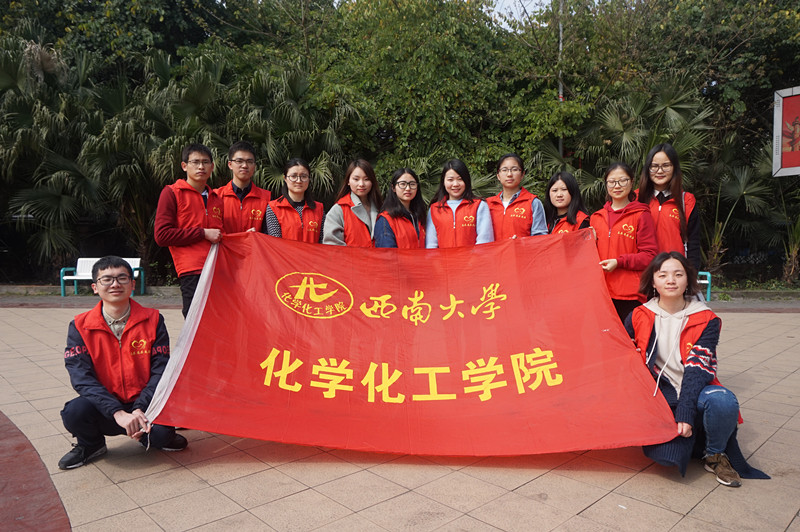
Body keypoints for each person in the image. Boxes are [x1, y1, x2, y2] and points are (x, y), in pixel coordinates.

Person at [624, 252, 768, 486]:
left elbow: (697, 370)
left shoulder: (706, 318)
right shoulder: (638, 315)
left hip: (696, 390)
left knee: (723, 401)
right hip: (659, 394)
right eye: (663, 275)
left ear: (688, 280)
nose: (671, 280)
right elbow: (622, 356)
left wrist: (685, 410)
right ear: (653, 281)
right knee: (667, 458)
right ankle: (695, 439)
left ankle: (715, 454)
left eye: (678, 274)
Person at [58, 256, 186, 470]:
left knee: (161, 435)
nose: (115, 284)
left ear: (132, 284)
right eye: (107, 279)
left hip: (144, 406)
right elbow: (81, 378)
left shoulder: (153, 319)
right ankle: (91, 445)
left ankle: (152, 436)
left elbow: (161, 370)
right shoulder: (80, 326)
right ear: (95, 287)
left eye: (122, 278)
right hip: (105, 408)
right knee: (75, 412)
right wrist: (117, 412)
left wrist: (139, 408)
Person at [155, 143, 223, 317]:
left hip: (218, 269)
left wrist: (246, 236)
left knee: (219, 319)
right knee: (195, 319)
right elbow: (162, 235)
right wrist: (202, 233)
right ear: (184, 166)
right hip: (192, 270)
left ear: (212, 167)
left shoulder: (216, 198)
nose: (201, 167)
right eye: (195, 162)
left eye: (205, 162)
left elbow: (220, 235)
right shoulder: (172, 193)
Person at [590, 162, 658, 322]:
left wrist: (619, 262)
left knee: (630, 336)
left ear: (632, 182)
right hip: (601, 293)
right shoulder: (596, 217)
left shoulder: (641, 214)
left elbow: (649, 255)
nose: (617, 186)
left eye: (623, 180)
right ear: (606, 184)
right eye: (612, 182)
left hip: (630, 294)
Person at [638, 143, 701, 269]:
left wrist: (691, 274)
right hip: (642, 272)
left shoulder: (686, 201)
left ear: (674, 168)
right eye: (654, 166)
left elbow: (693, 243)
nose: (660, 171)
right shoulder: (636, 199)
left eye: (666, 165)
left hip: (674, 273)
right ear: (647, 169)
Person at [425, 159, 494, 248]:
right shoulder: (434, 209)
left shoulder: (479, 206)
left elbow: (484, 241)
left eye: (460, 179)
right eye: (450, 180)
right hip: (444, 257)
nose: (455, 184)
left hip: (473, 257)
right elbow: (431, 245)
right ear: (443, 182)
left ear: (466, 181)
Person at [485, 153, 548, 240]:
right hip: (493, 249)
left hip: (522, 249)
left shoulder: (533, 203)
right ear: (498, 176)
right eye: (504, 170)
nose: (509, 174)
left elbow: (540, 238)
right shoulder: (487, 204)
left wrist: (521, 243)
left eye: (514, 169)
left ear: (522, 175)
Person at [215, 140, 271, 234]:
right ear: (230, 164)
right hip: (224, 244)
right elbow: (212, 230)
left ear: (254, 166)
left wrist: (256, 236)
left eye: (249, 161)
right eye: (239, 161)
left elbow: (270, 235)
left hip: (254, 244)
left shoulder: (266, 198)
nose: (244, 166)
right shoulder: (216, 196)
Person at [323, 159, 382, 247]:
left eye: (366, 179)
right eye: (356, 179)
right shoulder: (339, 210)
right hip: (350, 256)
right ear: (348, 181)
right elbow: (332, 246)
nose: (361, 184)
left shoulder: (381, 208)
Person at [265, 158, 325, 243]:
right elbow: (275, 243)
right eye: (293, 176)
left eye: (304, 176)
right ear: (285, 178)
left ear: (309, 179)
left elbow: (323, 242)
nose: (299, 181)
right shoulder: (274, 208)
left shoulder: (319, 208)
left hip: (313, 252)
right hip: (283, 252)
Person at [374, 168, 427, 248]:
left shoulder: (420, 216)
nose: (408, 188)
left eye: (412, 184)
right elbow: (387, 253)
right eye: (402, 184)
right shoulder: (386, 219)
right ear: (393, 188)